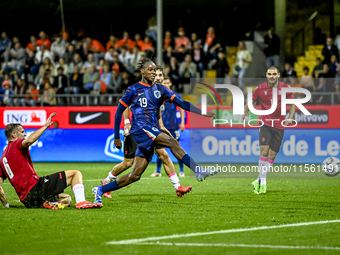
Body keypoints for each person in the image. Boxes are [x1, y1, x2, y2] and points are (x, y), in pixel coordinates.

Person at [93, 59, 216, 204]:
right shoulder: (133, 89)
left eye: (155, 70)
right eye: (150, 70)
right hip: (140, 129)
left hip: (152, 130)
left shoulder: (161, 89)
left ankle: (100, 190)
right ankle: (198, 170)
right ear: (142, 71)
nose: (153, 73)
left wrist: (204, 113)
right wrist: (116, 137)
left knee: (135, 175)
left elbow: (182, 103)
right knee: (172, 142)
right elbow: (119, 111)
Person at [0, 113, 102, 209]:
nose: (25, 134)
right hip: (36, 188)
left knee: (67, 199)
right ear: (14, 135)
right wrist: (45, 126)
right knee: (75, 174)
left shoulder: (3, 158)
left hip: (27, 200)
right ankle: (81, 202)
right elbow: (29, 141)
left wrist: (6, 204)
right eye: (22, 132)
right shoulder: (15, 145)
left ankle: (48, 203)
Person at [242, 66, 295, 194]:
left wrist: (290, 117)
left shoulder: (286, 88)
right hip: (265, 123)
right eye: (269, 74)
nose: (272, 76)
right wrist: (245, 111)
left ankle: (259, 180)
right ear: (266, 75)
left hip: (279, 125)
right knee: (264, 151)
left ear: (278, 75)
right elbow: (251, 100)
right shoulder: (260, 88)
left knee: (272, 155)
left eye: (274, 74)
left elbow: (293, 103)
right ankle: (263, 183)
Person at [151, 75, 186, 177]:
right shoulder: (159, 95)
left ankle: (181, 170)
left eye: (167, 83)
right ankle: (158, 171)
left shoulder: (174, 95)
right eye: (164, 83)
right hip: (161, 126)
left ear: (171, 84)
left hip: (173, 125)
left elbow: (181, 108)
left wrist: (182, 122)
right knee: (160, 149)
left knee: (176, 147)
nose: (166, 84)